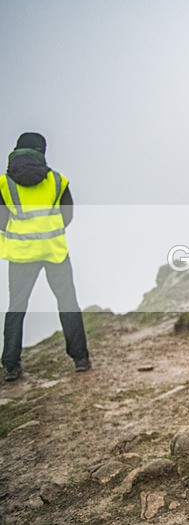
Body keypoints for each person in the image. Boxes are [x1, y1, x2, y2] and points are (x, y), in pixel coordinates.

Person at [0, 132, 91, 381]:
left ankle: (10, 365)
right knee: (68, 303)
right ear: (42, 151)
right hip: (54, 252)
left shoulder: (4, 184)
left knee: (16, 308)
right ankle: (80, 358)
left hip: (20, 255)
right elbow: (67, 216)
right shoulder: (58, 181)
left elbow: (1, 221)